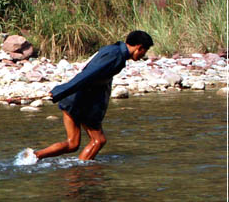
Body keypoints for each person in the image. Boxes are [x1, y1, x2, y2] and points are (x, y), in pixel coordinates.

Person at [23, 30, 153, 163]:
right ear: (139, 47)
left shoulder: (114, 51)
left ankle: (34, 156)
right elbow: (88, 75)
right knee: (98, 141)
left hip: (75, 100)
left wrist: (63, 92)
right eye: (145, 50)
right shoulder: (115, 55)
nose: (144, 55)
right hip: (81, 102)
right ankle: (81, 172)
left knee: (72, 144)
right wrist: (60, 91)